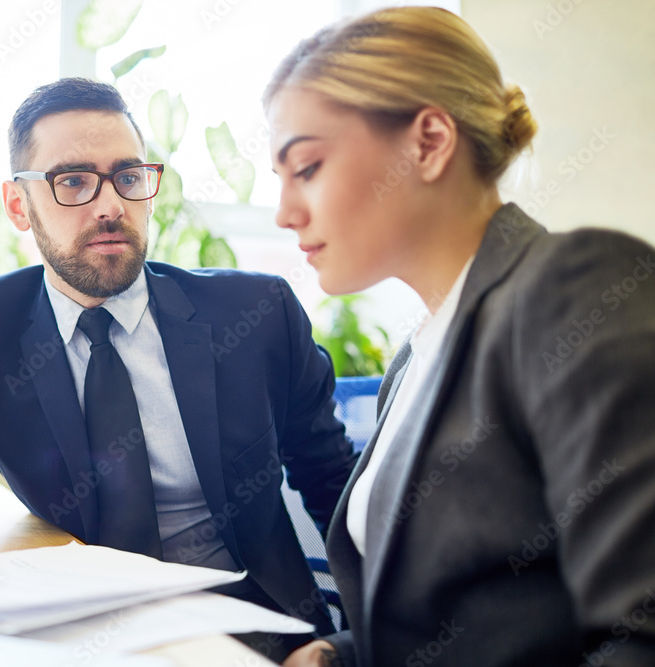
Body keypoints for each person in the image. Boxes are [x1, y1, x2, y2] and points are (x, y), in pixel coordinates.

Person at [0, 77, 358, 655]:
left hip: (261, 631)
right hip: (87, 641)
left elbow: (337, 487)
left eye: (128, 176)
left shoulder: (256, 315)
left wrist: (362, 644)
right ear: (19, 204)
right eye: (72, 180)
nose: (111, 206)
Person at [264, 6, 655, 666]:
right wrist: (339, 654)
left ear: (429, 141)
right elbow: (480, 618)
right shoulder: (415, 362)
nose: (283, 212)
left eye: (306, 168)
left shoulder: (574, 287)